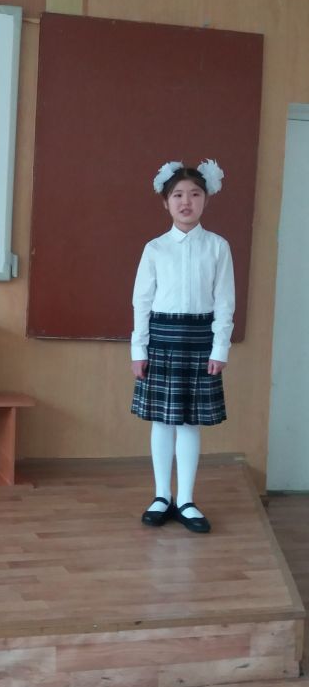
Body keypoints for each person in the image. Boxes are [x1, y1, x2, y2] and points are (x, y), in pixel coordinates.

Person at [130, 160, 235, 533]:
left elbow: (224, 302)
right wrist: (138, 350)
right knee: (162, 420)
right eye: (177, 195)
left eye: (194, 194)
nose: (186, 201)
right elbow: (141, 302)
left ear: (206, 199)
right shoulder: (155, 248)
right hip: (162, 339)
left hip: (199, 340)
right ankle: (162, 495)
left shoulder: (218, 247)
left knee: (190, 421)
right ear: (166, 202)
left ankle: (186, 499)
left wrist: (219, 348)